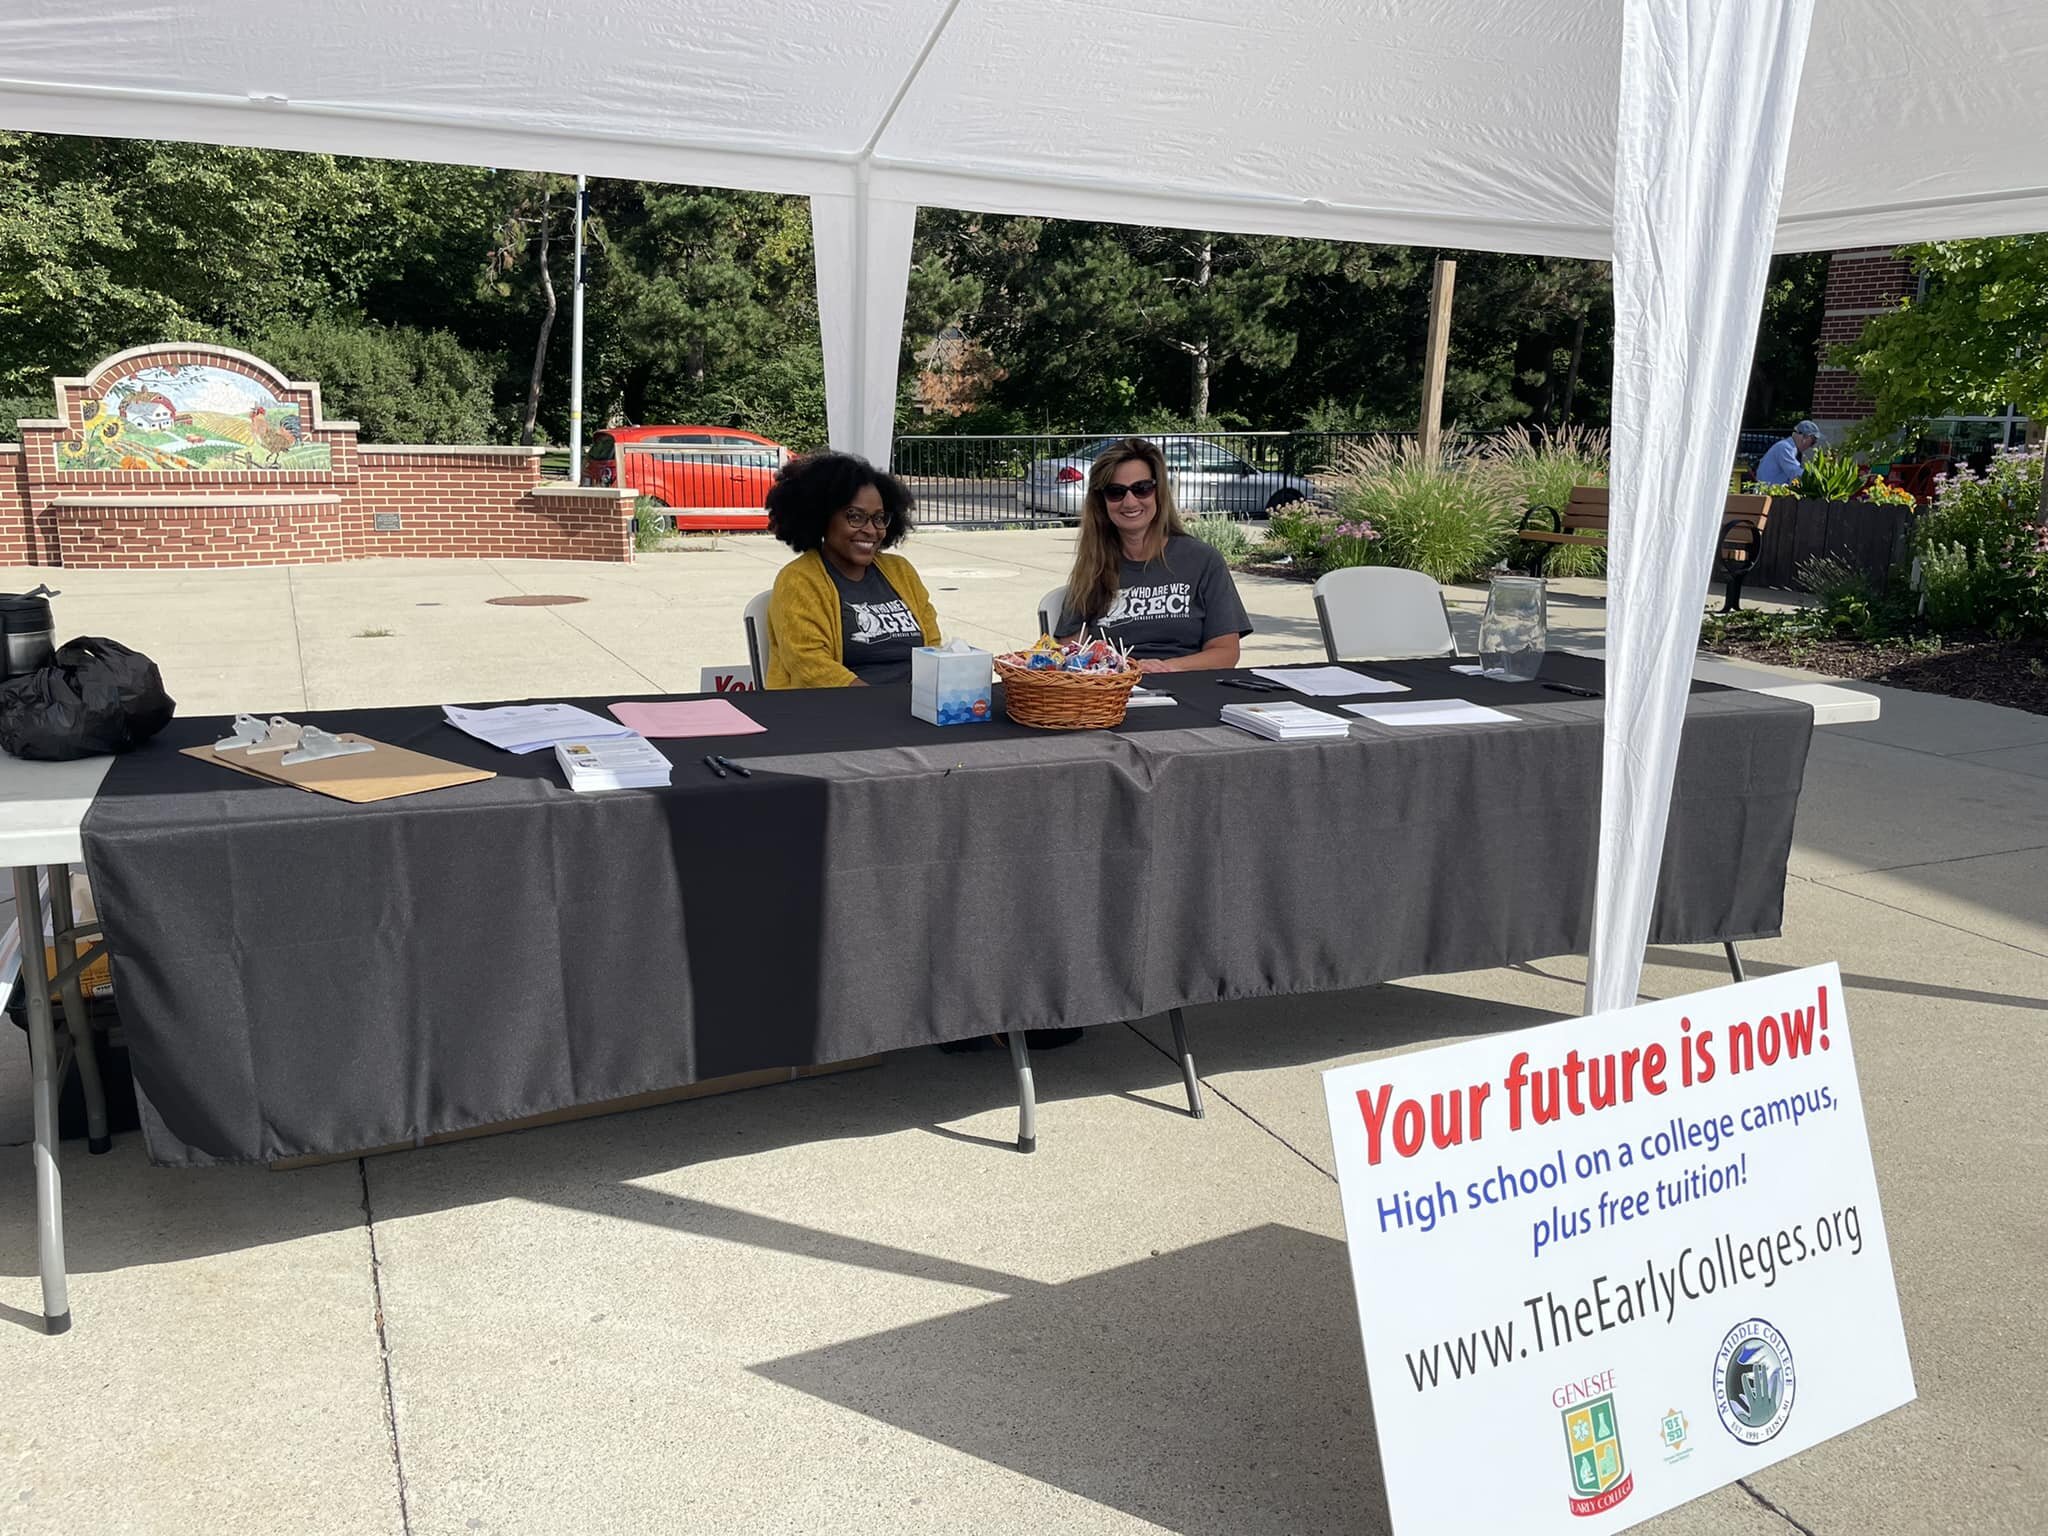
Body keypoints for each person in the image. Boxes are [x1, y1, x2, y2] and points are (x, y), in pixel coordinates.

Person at [1054, 437, 1252, 671]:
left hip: (1187, 687)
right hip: (1114, 693)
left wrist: (1167, 668)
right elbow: (1070, 656)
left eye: (1142, 489)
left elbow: (1226, 653)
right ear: (1101, 501)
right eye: (1115, 492)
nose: (1130, 501)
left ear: (1158, 492)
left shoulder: (1203, 560)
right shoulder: (1092, 566)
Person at [763, 452, 939, 688]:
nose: (871, 530)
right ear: (822, 517)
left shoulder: (901, 571)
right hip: (840, 713)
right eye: (855, 517)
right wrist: (882, 705)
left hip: (916, 708)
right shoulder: (798, 580)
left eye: (879, 518)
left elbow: (933, 647)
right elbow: (811, 666)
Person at [1755, 420, 1820, 486]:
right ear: (1804, 437)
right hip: (1768, 492)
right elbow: (1795, 473)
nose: (1811, 446)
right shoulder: (1785, 448)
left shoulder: (1788, 447)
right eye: (1813, 442)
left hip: (1770, 490)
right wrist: (1818, 477)